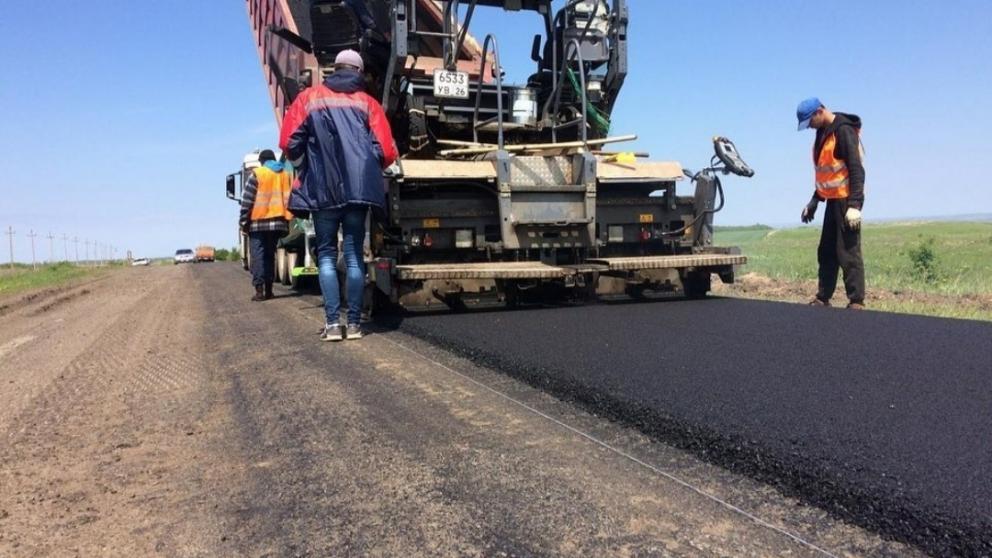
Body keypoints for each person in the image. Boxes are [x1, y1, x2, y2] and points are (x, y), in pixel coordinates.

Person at [279, 49, 398, 341]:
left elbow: (288, 141)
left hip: (322, 192)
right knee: (355, 257)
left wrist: (305, 164)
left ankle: (333, 325)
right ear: (358, 72)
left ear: (335, 68)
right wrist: (367, 169)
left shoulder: (309, 98)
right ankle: (355, 324)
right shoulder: (368, 104)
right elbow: (386, 151)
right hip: (358, 194)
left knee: (328, 257)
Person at [796, 97, 866, 310]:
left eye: (810, 122)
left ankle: (856, 301)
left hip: (846, 201)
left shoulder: (843, 131)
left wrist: (855, 205)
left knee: (848, 251)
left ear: (819, 112)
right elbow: (828, 173)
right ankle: (823, 297)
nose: (809, 128)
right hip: (831, 201)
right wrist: (815, 200)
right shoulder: (822, 133)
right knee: (826, 251)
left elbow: (856, 169)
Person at [239, 149, 292, 302]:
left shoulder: (258, 173)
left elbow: (248, 199)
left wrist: (243, 221)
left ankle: (259, 291)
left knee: (258, 256)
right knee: (270, 255)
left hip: (258, 222)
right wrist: (287, 220)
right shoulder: (284, 174)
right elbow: (288, 198)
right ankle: (269, 290)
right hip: (277, 223)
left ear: (261, 161)